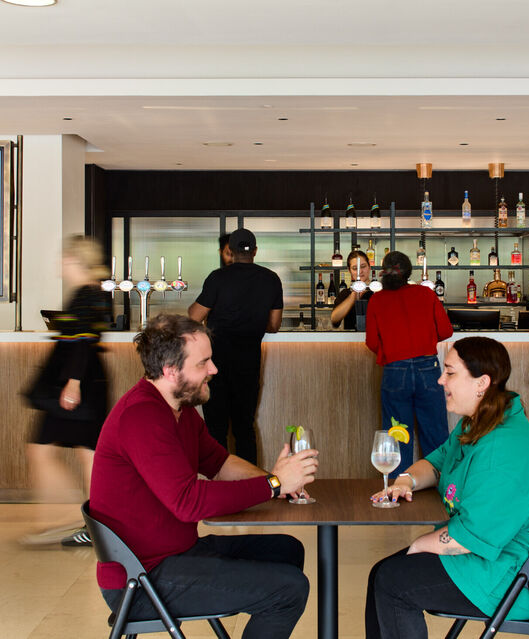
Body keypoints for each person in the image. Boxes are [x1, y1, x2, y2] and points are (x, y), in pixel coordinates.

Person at [90, 314, 317, 639]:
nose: (214, 370)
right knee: (289, 589)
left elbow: (219, 462)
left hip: (175, 553)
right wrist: (273, 484)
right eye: (203, 363)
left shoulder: (179, 410)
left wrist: (277, 482)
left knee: (287, 549)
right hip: (141, 579)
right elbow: (188, 502)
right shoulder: (141, 417)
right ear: (170, 370)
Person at [365, 336, 529, 639]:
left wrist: (418, 546)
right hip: (500, 557)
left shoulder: (502, 451)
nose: (439, 380)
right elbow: (435, 464)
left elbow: (468, 540)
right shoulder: (479, 423)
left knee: (391, 582)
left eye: (449, 372)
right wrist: (405, 481)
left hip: (518, 576)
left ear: (482, 382)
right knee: (383, 573)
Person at [20, 236, 112, 548]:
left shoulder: (87, 294)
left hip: (76, 387)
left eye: (65, 258)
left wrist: (73, 383)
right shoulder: (89, 293)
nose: (60, 263)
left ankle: (71, 521)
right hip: (84, 385)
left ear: (77, 261)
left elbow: (84, 340)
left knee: (45, 450)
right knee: (86, 455)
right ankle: (88, 522)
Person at [188, 228, 282, 464]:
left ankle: (216, 489)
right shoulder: (271, 279)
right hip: (249, 364)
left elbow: (194, 317)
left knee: (216, 428)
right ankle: (250, 487)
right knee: (244, 428)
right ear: (255, 251)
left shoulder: (218, 278)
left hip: (214, 366)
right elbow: (273, 325)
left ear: (230, 251)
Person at [365, 251, 453, 475]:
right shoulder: (425, 294)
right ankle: (443, 490)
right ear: (409, 273)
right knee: (435, 433)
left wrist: (393, 351)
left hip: (395, 371)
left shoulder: (376, 300)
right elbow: (446, 330)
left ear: (383, 272)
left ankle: (397, 490)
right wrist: (425, 340)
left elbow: (372, 342)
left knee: (396, 435)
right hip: (428, 368)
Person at [331, 249, 373, 331]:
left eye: (363, 266)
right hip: (352, 341)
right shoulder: (345, 294)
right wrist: (353, 295)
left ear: (369, 267)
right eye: (355, 268)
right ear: (349, 270)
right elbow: (334, 320)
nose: (360, 271)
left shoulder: (378, 292)